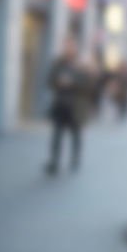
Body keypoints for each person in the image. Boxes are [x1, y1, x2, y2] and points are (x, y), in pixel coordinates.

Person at [45, 39, 92, 174]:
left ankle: (75, 158)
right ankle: (54, 161)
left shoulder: (82, 65)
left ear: (75, 49)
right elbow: (49, 81)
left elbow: (88, 85)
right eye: (66, 46)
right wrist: (58, 82)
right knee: (56, 135)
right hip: (60, 105)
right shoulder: (58, 63)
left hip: (76, 106)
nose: (68, 49)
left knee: (76, 134)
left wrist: (72, 83)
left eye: (70, 47)